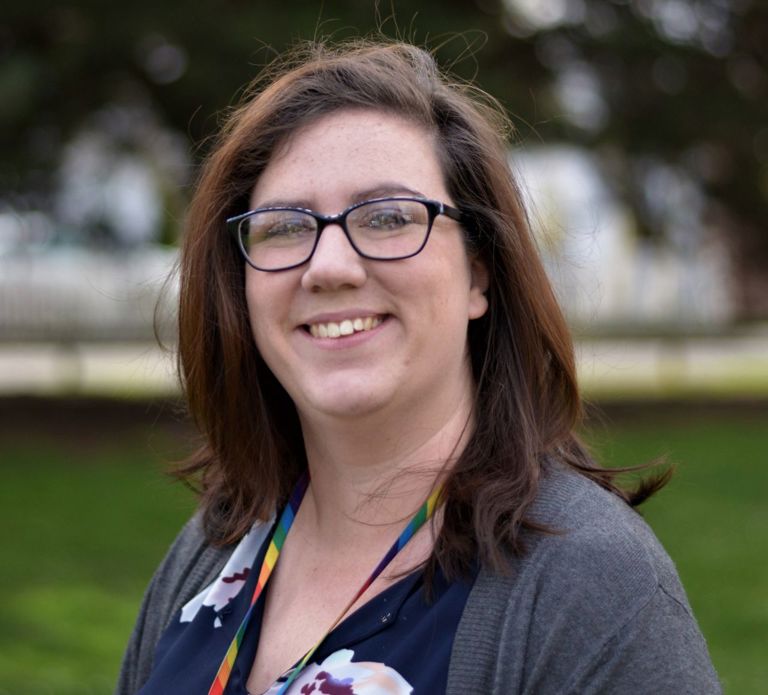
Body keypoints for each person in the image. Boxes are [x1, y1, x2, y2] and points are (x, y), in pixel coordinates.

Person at [116, 39, 721, 695]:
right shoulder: (214, 551)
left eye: (388, 217)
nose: (330, 267)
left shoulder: (594, 585)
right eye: (286, 225)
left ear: (478, 271)